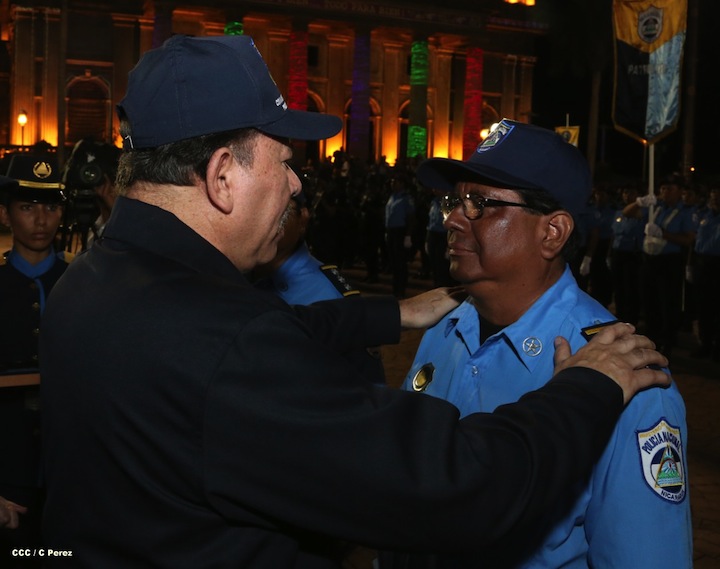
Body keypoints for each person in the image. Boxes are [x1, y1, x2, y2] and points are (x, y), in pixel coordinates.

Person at [39, 35, 669, 569]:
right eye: (285, 162)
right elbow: (454, 487)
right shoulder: (609, 365)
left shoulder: (90, 280)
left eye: (480, 203)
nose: (295, 184)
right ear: (222, 175)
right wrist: (588, 387)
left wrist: (389, 313)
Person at [383, 119, 690, 568]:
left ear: (552, 233)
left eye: (479, 204)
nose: (452, 219)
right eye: (454, 201)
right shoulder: (444, 327)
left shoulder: (624, 373)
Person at [0, 154, 71, 566]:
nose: (41, 219)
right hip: (8, 479)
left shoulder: (83, 285)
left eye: (50, 207)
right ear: (5, 215)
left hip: (73, 478)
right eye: (27, 207)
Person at [252, 191, 385, 383]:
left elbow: (367, 385)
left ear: (303, 218)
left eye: (281, 208)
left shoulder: (330, 295)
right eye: (255, 205)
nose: (265, 217)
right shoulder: (238, 276)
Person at [623, 174, 696, 356]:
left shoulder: (686, 212)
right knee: (649, 301)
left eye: (670, 189)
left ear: (680, 191)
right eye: (663, 189)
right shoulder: (655, 208)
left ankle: (668, 342)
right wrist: (639, 202)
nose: (665, 192)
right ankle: (652, 339)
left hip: (669, 262)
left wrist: (664, 234)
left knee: (668, 303)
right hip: (649, 260)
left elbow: (688, 240)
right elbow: (627, 213)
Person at [691, 185, 720, 360]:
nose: (715, 200)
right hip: (702, 263)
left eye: (718, 197)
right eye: (713, 197)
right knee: (704, 307)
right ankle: (705, 343)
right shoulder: (704, 215)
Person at [610, 183, 644, 326]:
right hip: (618, 252)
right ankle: (620, 317)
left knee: (631, 290)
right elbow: (614, 234)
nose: (627, 196)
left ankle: (631, 321)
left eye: (631, 193)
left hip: (632, 254)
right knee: (619, 289)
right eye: (625, 193)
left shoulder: (642, 212)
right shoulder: (619, 211)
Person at [384, 171, 415, 297]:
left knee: (400, 261)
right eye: (392, 182)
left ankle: (401, 288)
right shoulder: (392, 196)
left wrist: (408, 236)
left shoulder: (406, 198)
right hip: (391, 231)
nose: (393, 184)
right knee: (393, 260)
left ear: (402, 184)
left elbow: (411, 218)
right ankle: (395, 286)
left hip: (400, 231)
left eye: (395, 182)